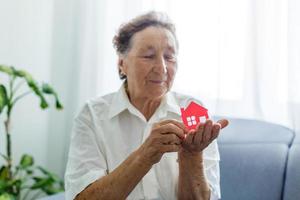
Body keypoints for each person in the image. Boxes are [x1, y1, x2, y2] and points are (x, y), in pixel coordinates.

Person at [65, 11, 229, 200]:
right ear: (122, 64)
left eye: (169, 57)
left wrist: (192, 155)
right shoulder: (92, 115)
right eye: (149, 56)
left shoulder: (193, 110)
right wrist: (145, 155)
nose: (162, 68)